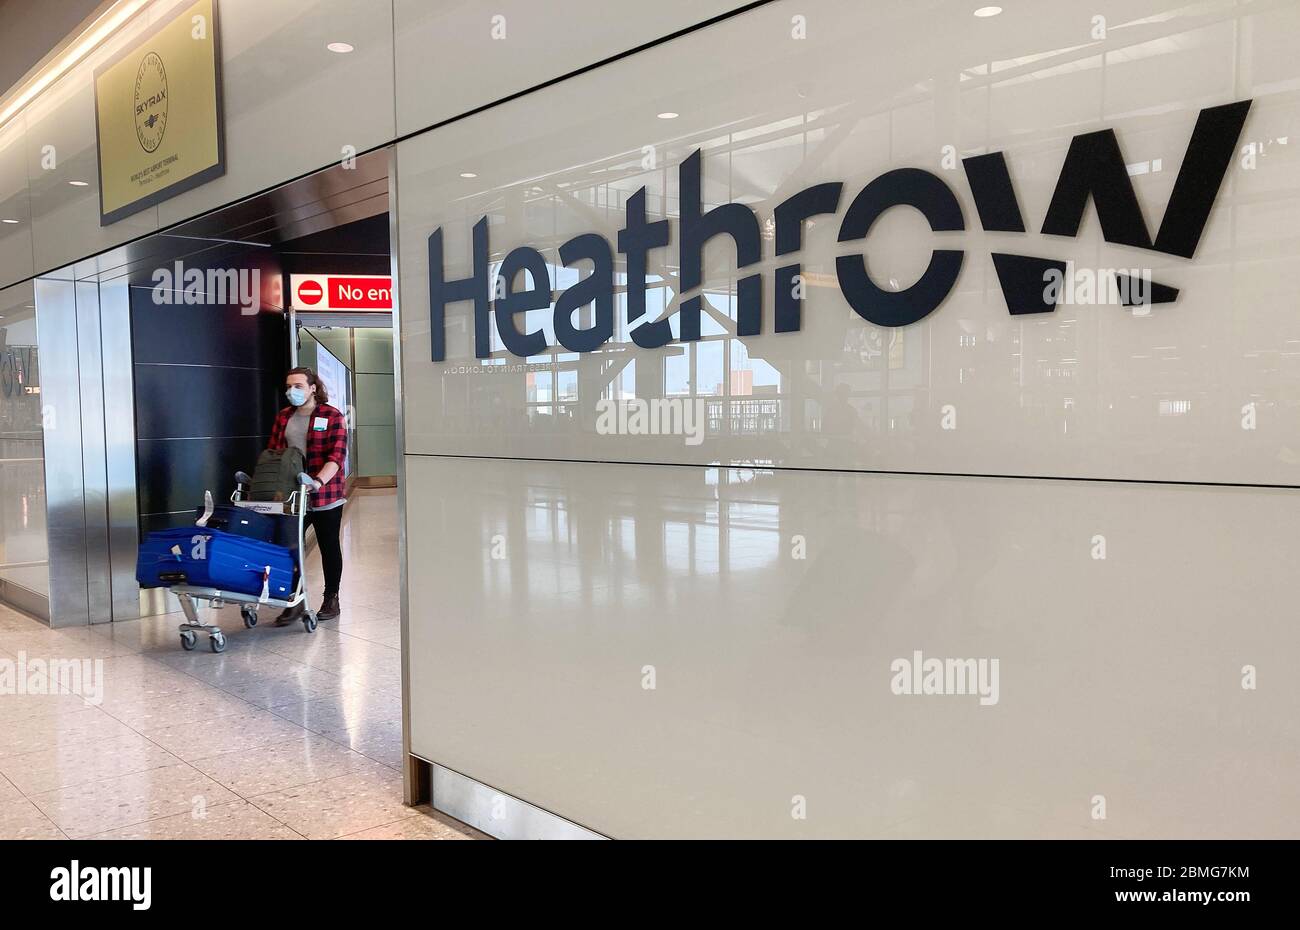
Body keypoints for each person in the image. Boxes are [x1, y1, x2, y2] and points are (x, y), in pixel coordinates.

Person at [267, 366, 347, 624]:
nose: (292, 391)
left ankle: (331, 598)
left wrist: (318, 481)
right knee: (290, 547)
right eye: (289, 386)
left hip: (324, 493)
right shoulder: (284, 417)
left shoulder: (331, 415)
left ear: (313, 388)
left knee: (328, 545)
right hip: (291, 494)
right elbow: (275, 452)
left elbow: (336, 456)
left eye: (298, 386)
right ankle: (294, 599)